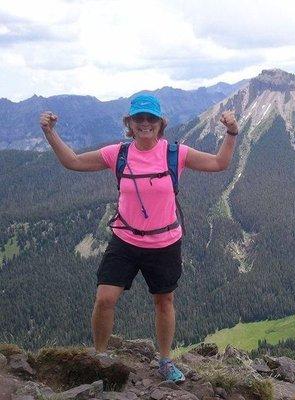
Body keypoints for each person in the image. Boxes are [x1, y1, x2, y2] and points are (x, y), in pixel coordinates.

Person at [39, 94, 238, 382]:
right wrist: (49, 133)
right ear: (129, 124)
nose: (145, 123)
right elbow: (73, 161)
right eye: (139, 119)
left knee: (164, 301)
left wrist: (231, 132)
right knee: (105, 298)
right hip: (125, 239)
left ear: (160, 124)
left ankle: (165, 361)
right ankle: (101, 357)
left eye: (151, 118)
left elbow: (220, 163)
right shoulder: (117, 154)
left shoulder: (175, 153)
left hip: (165, 242)